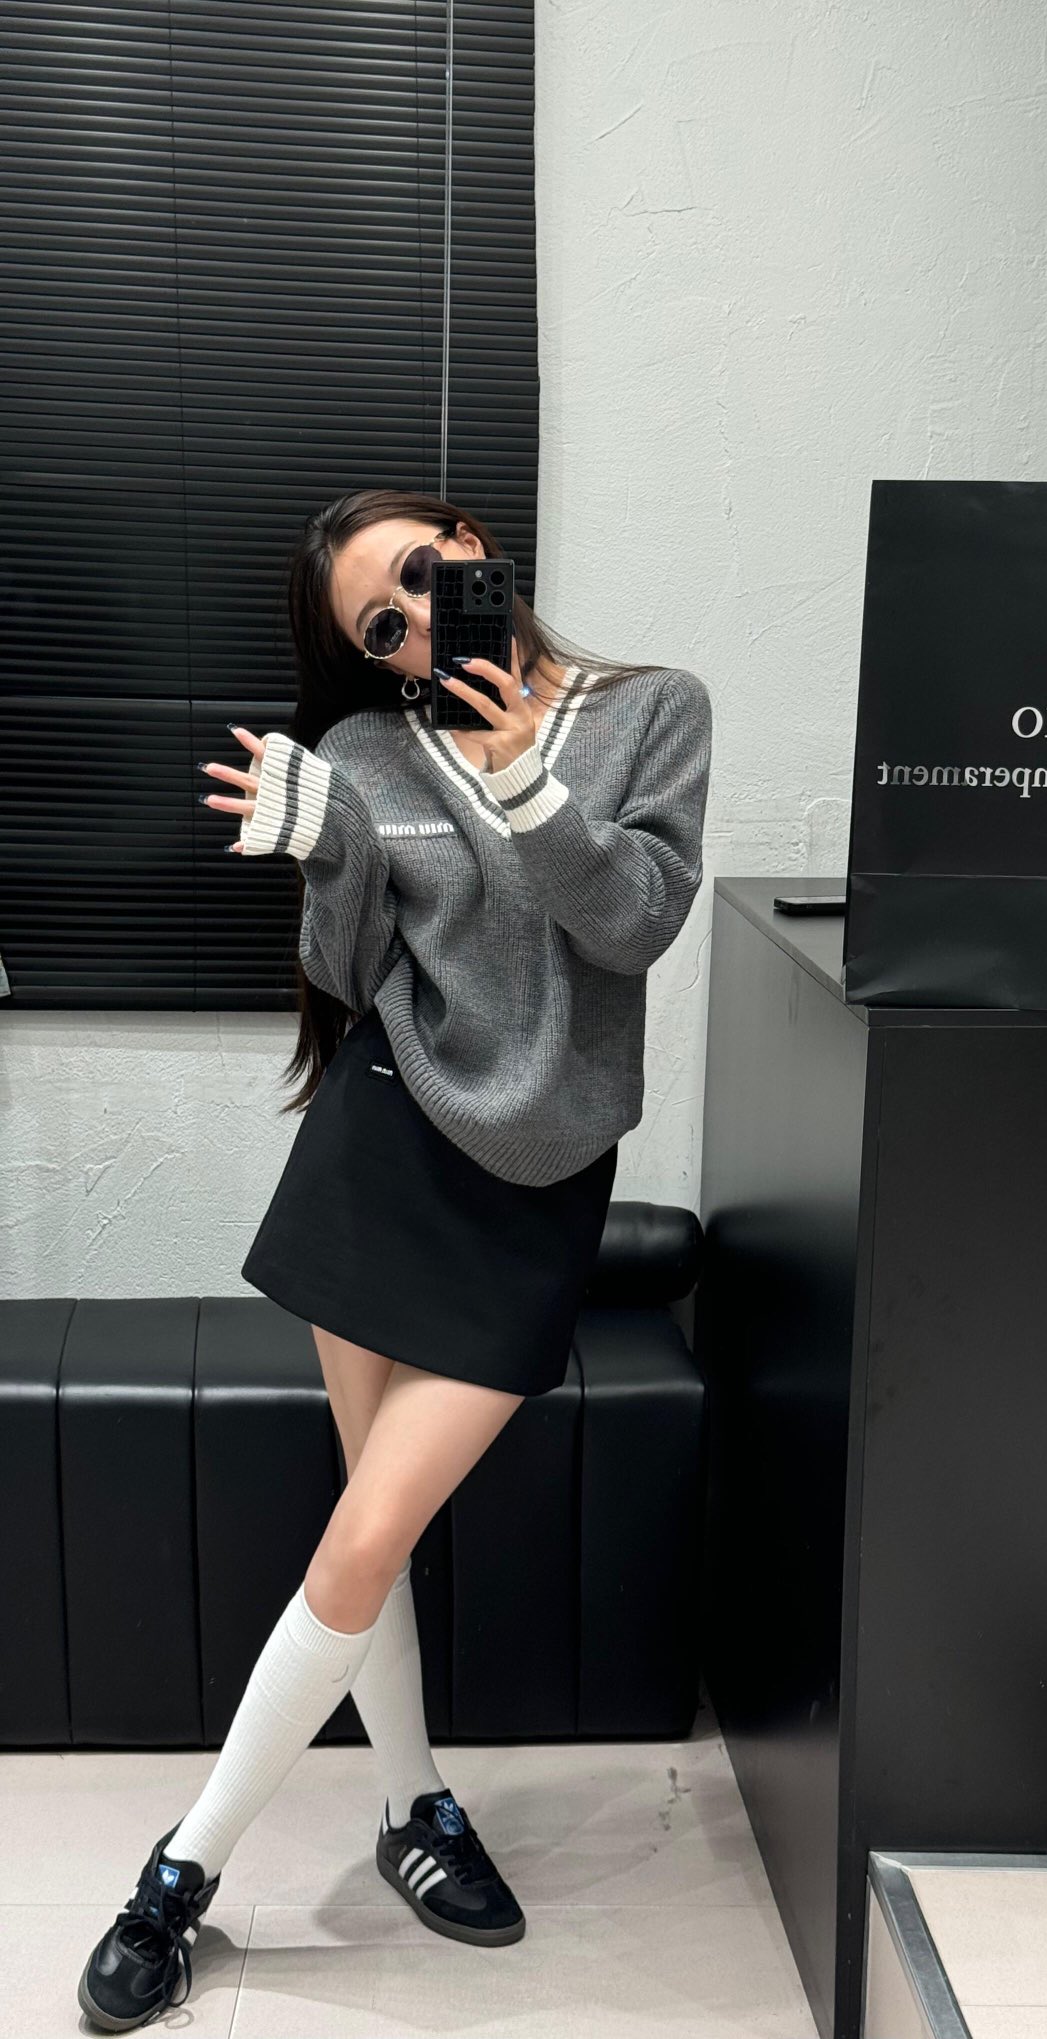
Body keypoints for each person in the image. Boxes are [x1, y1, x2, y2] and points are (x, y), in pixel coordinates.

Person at [76, 487, 714, 2032]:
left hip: (535, 1188)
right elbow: (352, 973)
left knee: (364, 1538)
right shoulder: (369, 750)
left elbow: (635, 925)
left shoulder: (652, 713)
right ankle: (412, 1802)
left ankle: (180, 1872)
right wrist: (330, 850)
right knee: (375, 1529)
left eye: (428, 577)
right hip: (380, 1151)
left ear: (473, 543)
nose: (421, 622)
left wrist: (526, 785)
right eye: (384, 623)